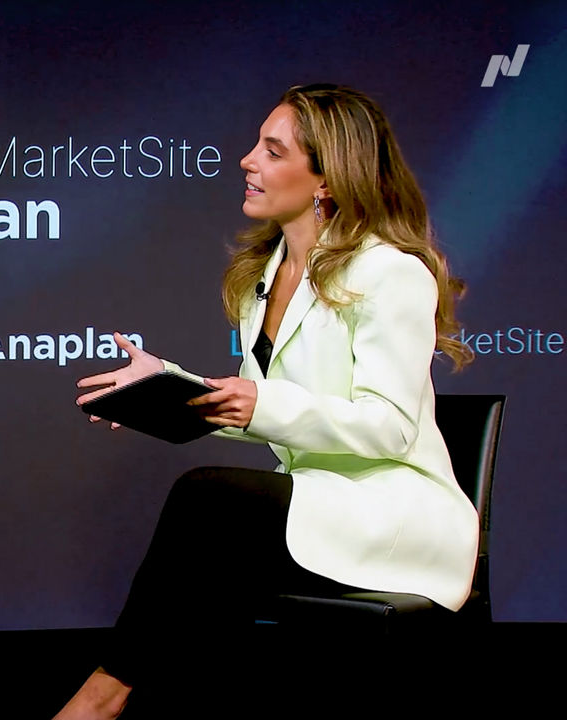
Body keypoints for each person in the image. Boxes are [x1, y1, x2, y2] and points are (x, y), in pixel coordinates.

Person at [54, 84, 477, 719]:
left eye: (271, 150)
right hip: (317, 505)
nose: (247, 161)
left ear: (326, 179)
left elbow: (389, 429)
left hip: (395, 517)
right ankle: (117, 699)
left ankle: (100, 699)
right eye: (257, 145)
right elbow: (271, 407)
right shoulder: (263, 278)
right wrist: (163, 390)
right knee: (206, 556)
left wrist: (258, 406)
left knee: (207, 501)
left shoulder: (391, 271)